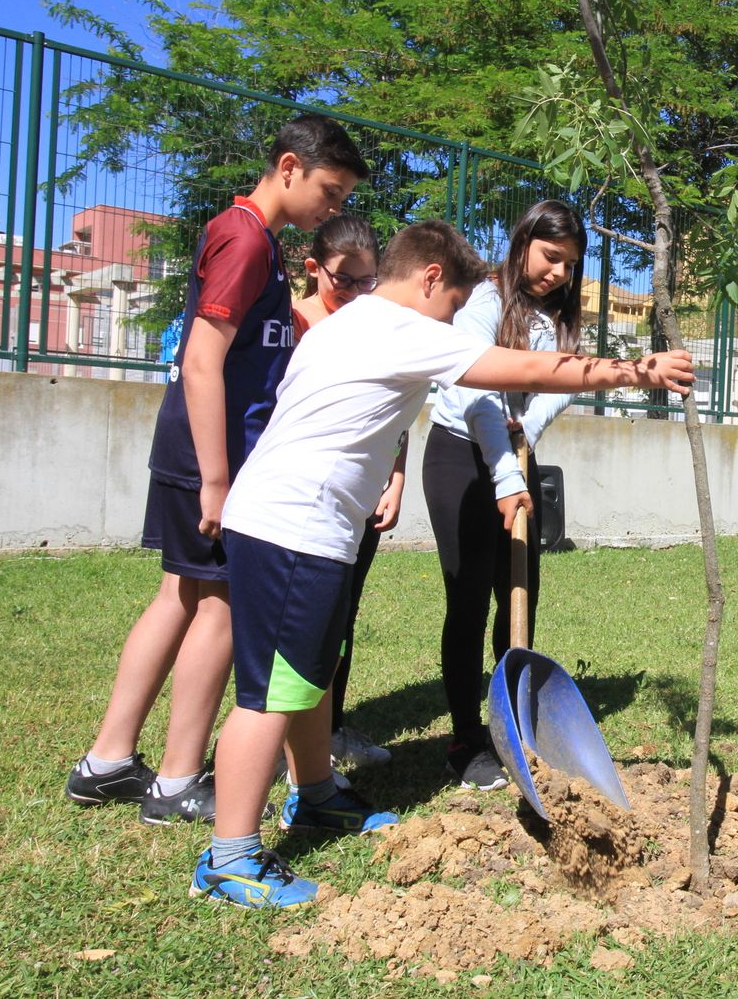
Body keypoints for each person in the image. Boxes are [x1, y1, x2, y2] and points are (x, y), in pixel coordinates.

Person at [190, 219, 693, 908]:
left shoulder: (347, 323)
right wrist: (636, 370)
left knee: (309, 675)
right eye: (454, 309)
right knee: (270, 695)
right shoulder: (399, 327)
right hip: (294, 530)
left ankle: (314, 795)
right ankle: (229, 856)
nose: (454, 325)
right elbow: (524, 369)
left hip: (306, 527)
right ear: (430, 279)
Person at [64, 115, 369, 825]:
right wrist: (217, 478)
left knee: (179, 595)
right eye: (329, 189)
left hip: (201, 454)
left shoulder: (257, 239)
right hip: (213, 460)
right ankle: (175, 780)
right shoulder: (243, 236)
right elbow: (202, 358)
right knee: (223, 606)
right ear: (289, 166)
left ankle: (107, 761)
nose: (334, 207)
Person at [422, 199, 585, 791]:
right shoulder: (484, 302)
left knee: (520, 591)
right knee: (468, 598)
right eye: (549, 257)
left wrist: (527, 437)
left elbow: (562, 382)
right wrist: (506, 475)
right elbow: (476, 393)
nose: (558, 274)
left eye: (569, 264)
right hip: (460, 454)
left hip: (515, 452)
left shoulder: (559, 316)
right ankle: (467, 737)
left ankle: (511, 718)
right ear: (521, 245)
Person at [290, 214, 397, 771]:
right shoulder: (299, 324)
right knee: (302, 623)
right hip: (305, 501)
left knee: (342, 616)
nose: (355, 294)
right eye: (343, 281)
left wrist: (395, 476)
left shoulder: (371, 325)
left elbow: (389, 405)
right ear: (314, 270)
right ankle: (291, 744)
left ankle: (327, 732)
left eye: (367, 282)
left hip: (361, 495)